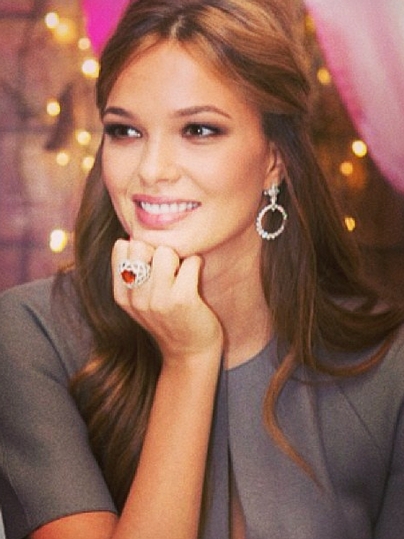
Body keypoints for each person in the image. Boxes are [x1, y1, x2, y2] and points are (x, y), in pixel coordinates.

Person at [0, 0, 403, 538]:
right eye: (125, 132)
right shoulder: (30, 333)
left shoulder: (385, 365)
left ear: (274, 159)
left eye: (199, 130)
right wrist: (189, 360)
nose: (151, 170)